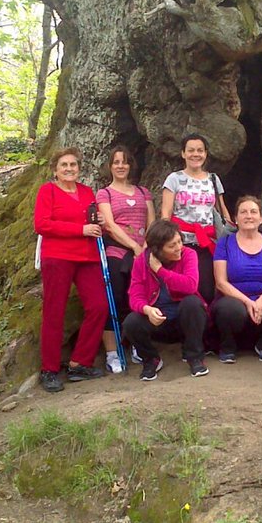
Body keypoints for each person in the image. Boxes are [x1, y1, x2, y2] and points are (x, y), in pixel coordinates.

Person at [32, 147, 108, 392]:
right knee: (55, 311)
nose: (69, 169)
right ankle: (49, 369)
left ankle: (79, 363)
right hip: (57, 256)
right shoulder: (48, 191)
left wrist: (101, 225)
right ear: (55, 169)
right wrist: (80, 230)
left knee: (99, 306)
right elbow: (42, 224)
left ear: (78, 168)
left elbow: (92, 221)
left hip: (88, 256)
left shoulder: (87, 192)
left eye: (73, 165)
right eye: (64, 165)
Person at [122, 219, 210, 380]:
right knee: (131, 322)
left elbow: (191, 285)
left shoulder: (189, 254)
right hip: (159, 320)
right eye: (172, 246)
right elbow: (135, 295)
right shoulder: (141, 261)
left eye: (179, 242)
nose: (178, 248)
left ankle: (194, 357)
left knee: (193, 303)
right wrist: (147, 310)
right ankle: (151, 359)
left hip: (185, 320)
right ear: (157, 250)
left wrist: (160, 271)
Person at [96, 145, 155, 374]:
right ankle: (112, 352)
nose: (121, 166)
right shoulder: (105, 194)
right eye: (116, 162)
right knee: (115, 301)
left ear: (131, 165)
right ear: (110, 166)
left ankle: (137, 344)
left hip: (142, 253)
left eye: (125, 161)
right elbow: (109, 225)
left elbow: (152, 221)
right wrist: (133, 245)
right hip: (117, 253)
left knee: (140, 299)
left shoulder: (143, 192)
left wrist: (145, 245)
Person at [212, 196, 262, 363]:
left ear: (261, 219)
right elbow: (221, 282)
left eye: (253, 212)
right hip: (235, 299)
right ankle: (228, 348)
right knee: (228, 308)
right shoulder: (224, 243)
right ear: (236, 218)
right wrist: (247, 301)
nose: (248, 216)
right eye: (243, 212)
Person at [161, 133, 232, 303]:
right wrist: (165, 241)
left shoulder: (213, 179)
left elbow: (222, 212)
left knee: (207, 289)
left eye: (200, 150)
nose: (196, 154)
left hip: (207, 242)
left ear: (206, 153)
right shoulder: (174, 179)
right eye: (191, 150)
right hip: (181, 243)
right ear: (183, 153)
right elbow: (166, 213)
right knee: (182, 289)